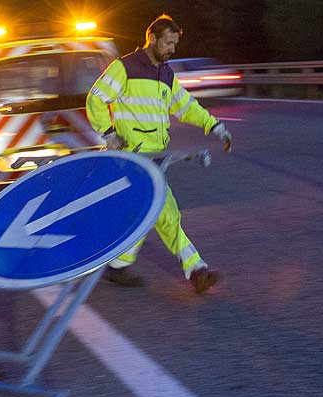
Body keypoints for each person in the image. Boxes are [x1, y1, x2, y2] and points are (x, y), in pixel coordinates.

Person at [85, 14, 233, 294]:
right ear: (152, 39)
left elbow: (186, 106)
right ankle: (196, 271)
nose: (172, 49)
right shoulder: (124, 67)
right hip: (133, 158)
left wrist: (214, 126)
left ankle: (117, 266)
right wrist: (108, 133)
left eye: (175, 44)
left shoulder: (165, 73)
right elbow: (96, 97)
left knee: (144, 213)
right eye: (168, 43)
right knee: (164, 212)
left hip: (156, 156)